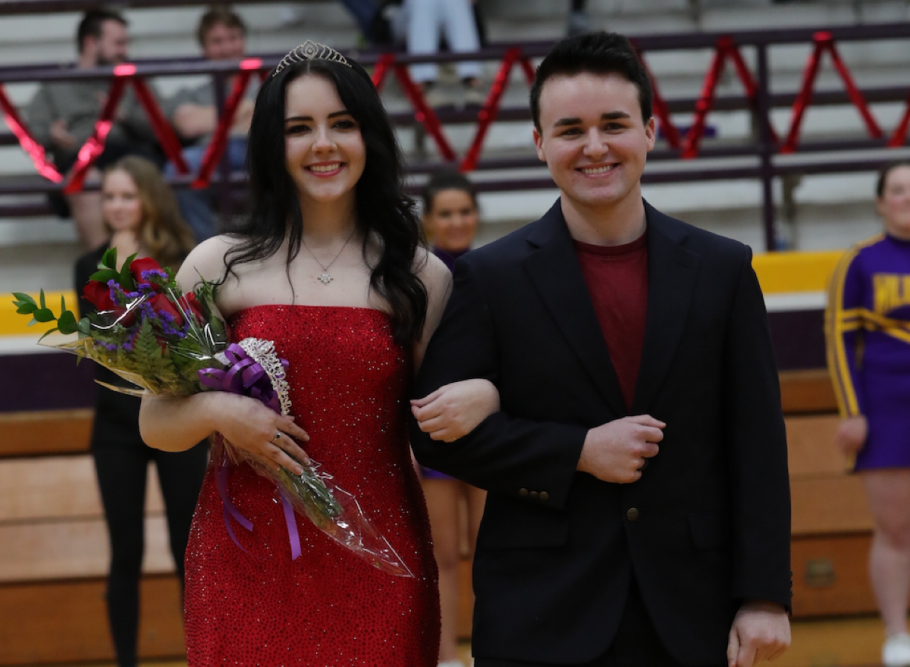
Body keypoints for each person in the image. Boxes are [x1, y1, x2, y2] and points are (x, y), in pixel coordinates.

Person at [410, 32, 792, 667]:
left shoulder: (724, 269)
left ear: (649, 130)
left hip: (693, 609)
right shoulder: (490, 278)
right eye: (570, 130)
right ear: (539, 144)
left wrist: (765, 597)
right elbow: (433, 437)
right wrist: (576, 452)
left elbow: (756, 442)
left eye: (613, 124)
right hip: (541, 613)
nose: (594, 147)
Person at [138, 42, 498, 665]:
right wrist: (221, 415)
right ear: (272, 146)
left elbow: (448, 426)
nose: (322, 144)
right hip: (243, 562)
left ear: (370, 136)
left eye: (342, 124)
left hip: (381, 559)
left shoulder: (420, 276)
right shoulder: (216, 263)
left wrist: (488, 393)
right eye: (298, 128)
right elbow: (154, 422)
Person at [74, 156, 206, 667]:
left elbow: (193, 340)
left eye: (127, 195)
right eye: (109, 197)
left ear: (149, 197)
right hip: (114, 425)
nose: (118, 206)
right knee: (125, 551)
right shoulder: (88, 264)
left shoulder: (179, 258)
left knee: (185, 548)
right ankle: (125, 660)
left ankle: (202, 654)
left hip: (178, 416)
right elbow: (97, 348)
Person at [826, 161, 910, 667]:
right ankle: (897, 633)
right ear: (881, 202)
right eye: (897, 190)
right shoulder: (859, 262)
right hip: (887, 412)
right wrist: (853, 411)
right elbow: (839, 340)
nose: (907, 198)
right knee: (895, 529)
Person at [418, 171, 486, 667]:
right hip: (433, 431)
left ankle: (495, 651)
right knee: (441, 554)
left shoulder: (497, 270)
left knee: (493, 551)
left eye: (465, 211)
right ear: (428, 220)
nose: (457, 221)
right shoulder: (415, 278)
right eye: (446, 212)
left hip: (489, 433)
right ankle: (444, 659)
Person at [28, 9, 163, 251]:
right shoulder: (54, 85)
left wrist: (127, 117)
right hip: (80, 160)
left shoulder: (135, 80)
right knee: (85, 183)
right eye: (118, 43)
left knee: (142, 178)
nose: (124, 50)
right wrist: (51, 135)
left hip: (132, 156)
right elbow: (32, 134)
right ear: (91, 43)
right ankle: (107, 279)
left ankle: (155, 276)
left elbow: (162, 130)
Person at [165, 7, 256, 243]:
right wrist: (245, 109)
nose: (227, 48)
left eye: (233, 38)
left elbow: (277, 119)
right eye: (217, 41)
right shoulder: (193, 92)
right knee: (180, 168)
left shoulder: (269, 81)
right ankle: (208, 255)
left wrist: (212, 118)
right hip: (210, 160)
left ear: (243, 40)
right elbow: (187, 124)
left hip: (259, 151)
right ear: (204, 49)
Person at [403, 0, 485, 108]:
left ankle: (472, 82)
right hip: (402, 15)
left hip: (444, 12)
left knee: (457, 2)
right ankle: (423, 87)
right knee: (423, 2)